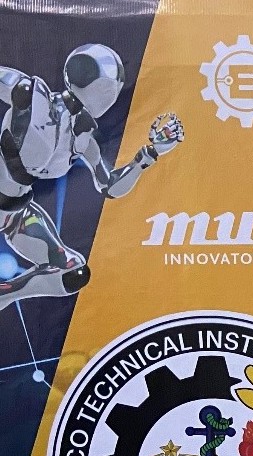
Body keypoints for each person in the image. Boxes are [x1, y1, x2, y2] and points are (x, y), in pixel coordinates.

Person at [0, 44, 183, 310]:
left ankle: (5, 294)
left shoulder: (82, 138)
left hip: (18, 213)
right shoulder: (30, 95)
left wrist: (149, 154)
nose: (111, 99)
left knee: (72, 273)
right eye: (108, 90)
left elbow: (109, 186)